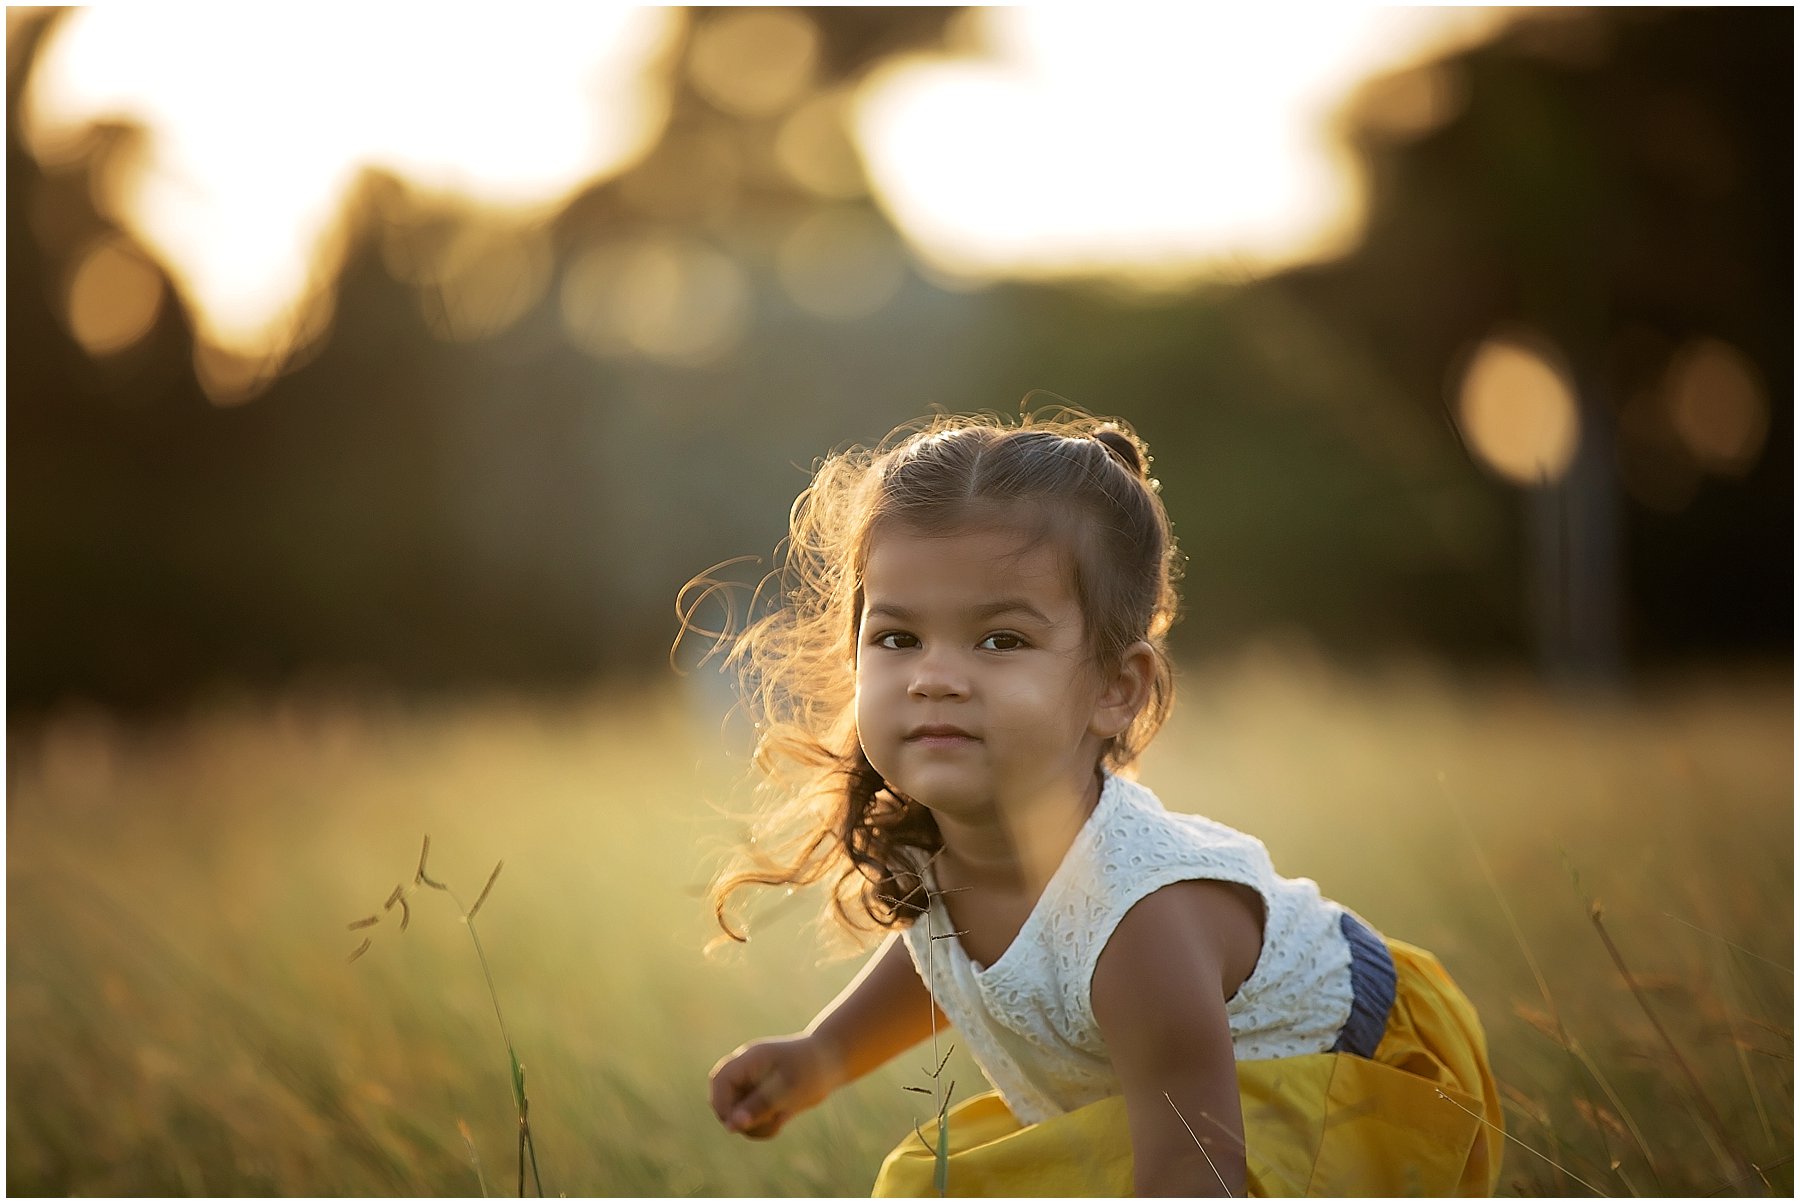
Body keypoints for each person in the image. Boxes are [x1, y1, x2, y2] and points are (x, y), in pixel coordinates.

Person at [696, 410, 1502, 1196]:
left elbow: (1195, 1170)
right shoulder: (946, 853)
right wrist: (821, 1053)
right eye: (899, 638)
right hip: (1173, 1107)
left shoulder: (1139, 924)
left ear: (1116, 690)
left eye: (1000, 640)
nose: (934, 675)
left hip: (1340, 1094)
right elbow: (954, 951)